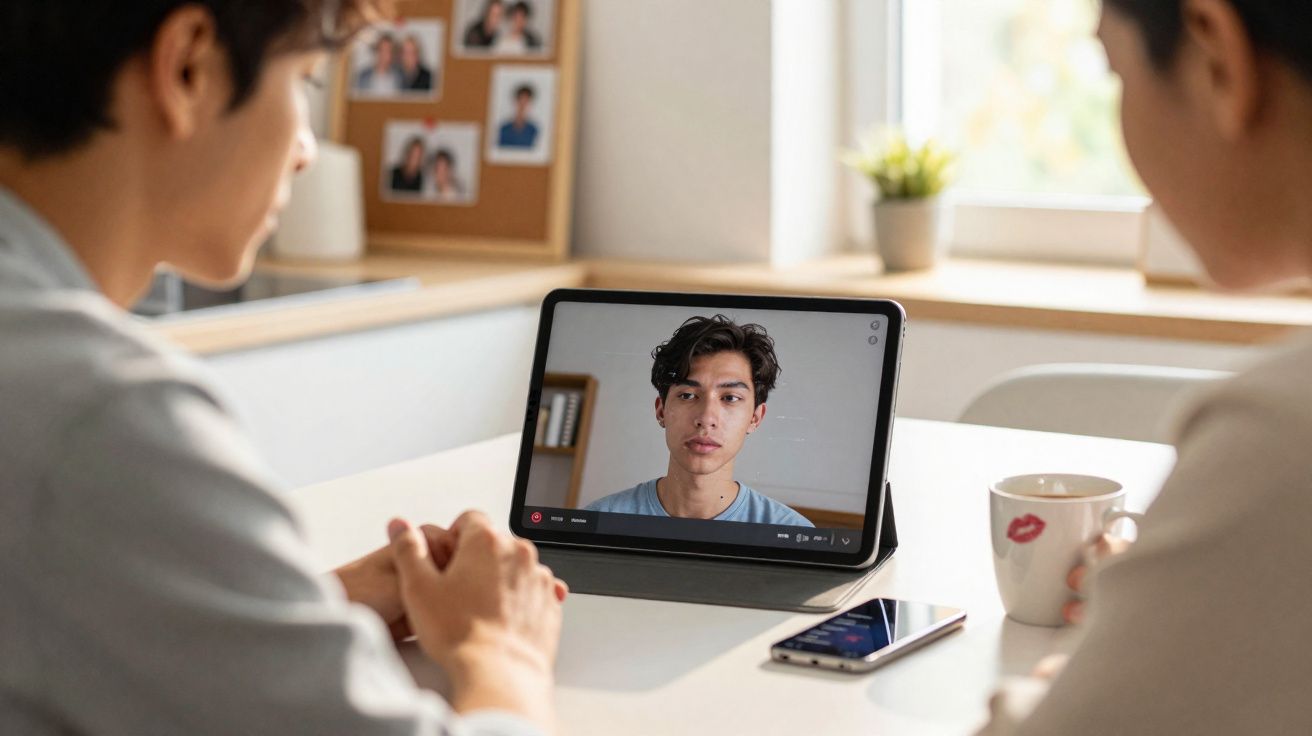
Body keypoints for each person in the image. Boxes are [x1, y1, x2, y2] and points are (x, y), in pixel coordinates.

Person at [0, 2, 566, 735]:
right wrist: (503, 649)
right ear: (189, 67)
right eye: (305, 78)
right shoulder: (101, 415)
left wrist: (288, 605)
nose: (305, 147)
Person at [979, 1, 1312, 733]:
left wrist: (1087, 679)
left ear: (1215, 55)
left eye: (1116, 72)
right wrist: (1173, 621)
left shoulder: (1284, 435)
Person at [586, 316, 814, 527]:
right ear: (661, 411)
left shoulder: (792, 532)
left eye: (730, 398)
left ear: (755, 418)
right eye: (687, 395)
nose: (706, 419)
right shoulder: (598, 519)